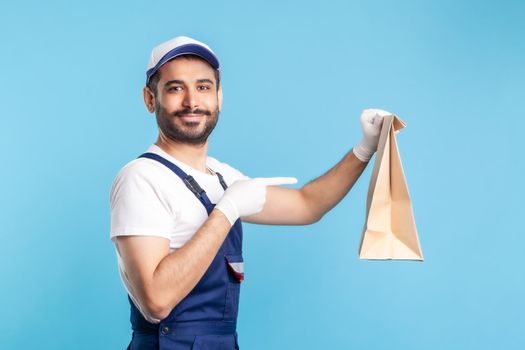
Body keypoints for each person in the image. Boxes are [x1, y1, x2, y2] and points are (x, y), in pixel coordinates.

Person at [110, 35, 392, 350]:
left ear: (219, 96)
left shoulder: (221, 176)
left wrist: (364, 149)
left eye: (203, 87)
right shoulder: (142, 178)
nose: (192, 101)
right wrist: (226, 211)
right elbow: (156, 301)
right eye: (175, 88)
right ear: (150, 99)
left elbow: (307, 205)